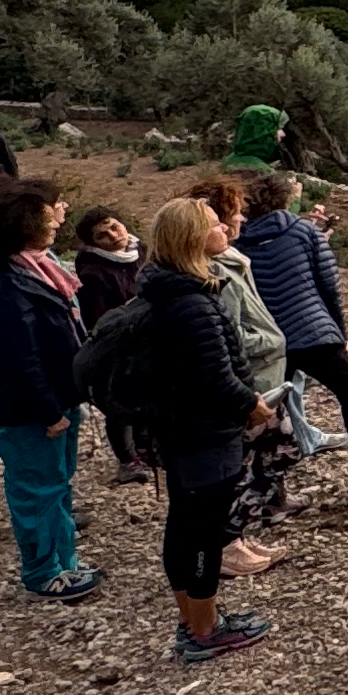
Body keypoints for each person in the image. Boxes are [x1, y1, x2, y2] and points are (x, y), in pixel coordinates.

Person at [130, 197, 278, 663]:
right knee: (203, 531)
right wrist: (252, 404)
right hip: (204, 434)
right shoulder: (192, 303)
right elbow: (213, 376)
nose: (226, 229)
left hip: (178, 430)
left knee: (184, 523)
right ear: (195, 238)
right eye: (215, 224)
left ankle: (193, 619)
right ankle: (204, 630)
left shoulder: (163, 291)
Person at [0, 184, 96, 601]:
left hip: (54, 401)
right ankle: (43, 572)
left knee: (56, 484)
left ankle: (65, 562)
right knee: (37, 490)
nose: (57, 219)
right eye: (45, 214)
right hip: (30, 411)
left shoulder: (32, 269)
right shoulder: (2, 287)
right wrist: (49, 409)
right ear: (19, 226)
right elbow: (19, 359)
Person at [235, 171, 348, 497]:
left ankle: (270, 495)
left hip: (270, 340)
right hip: (312, 331)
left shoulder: (239, 240)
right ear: (285, 198)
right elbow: (329, 286)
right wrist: (341, 334)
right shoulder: (303, 230)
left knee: (269, 415)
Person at [192, 186, 299, 574]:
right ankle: (227, 541)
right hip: (249, 385)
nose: (234, 221)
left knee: (272, 454)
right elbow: (230, 334)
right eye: (225, 216)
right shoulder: (212, 274)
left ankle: (235, 535)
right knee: (260, 458)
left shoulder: (229, 261)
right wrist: (272, 340)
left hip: (260, 379)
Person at [73, 208, 146, 482]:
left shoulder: (141, 251)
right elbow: (99, 319)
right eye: (102, 235)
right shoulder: (93, 272)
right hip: (118, 343)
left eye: (115, 226)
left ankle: (146, 448)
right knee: (119, 403)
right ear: (93, 244)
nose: (114, 236)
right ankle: (127, 460)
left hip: (146, 336)